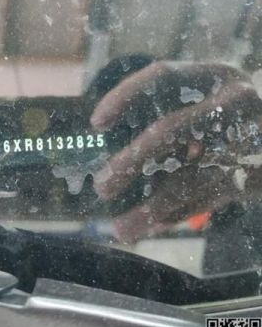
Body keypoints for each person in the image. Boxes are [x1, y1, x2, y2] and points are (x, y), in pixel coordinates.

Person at [88, 57, 262, 262]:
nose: (155, 147)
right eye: (121, 137)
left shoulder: (233, 251)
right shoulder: (230, 253)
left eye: (148, 116)